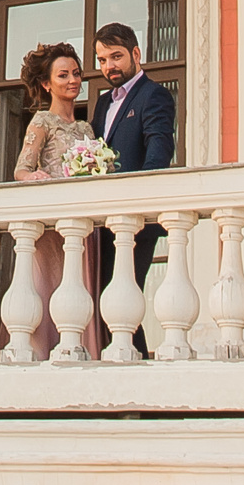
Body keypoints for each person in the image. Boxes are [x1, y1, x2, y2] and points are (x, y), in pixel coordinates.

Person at [10, 41, 98, 356]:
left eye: (76, 73)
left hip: (82, 223)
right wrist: (36, 177)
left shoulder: (86, 128)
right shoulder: (42, 121)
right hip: (52, 225)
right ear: (47, 84)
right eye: (63, 75)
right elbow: (21, 169)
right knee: (49, 286)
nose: (73, 80)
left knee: (78, 289)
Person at [88, 22, 174, 322]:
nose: (109, 66)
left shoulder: (154, 95)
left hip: (136, 220)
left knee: (123, 305)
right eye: (102, 60)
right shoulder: (103, 103)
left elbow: (158, 154)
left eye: (116, 56)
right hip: (104, 221)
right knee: (104, 305)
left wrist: (138, 200)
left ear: (135, 54)